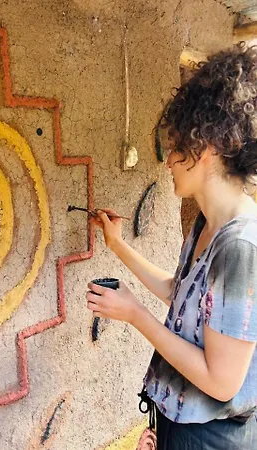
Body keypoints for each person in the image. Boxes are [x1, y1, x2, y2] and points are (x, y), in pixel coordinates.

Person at [86, 42, 257, 450]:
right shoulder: (206, 223)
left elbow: (221, 381)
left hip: (211, 437)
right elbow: (181, 295)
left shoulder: (240, 247)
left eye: (177, 147)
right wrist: (117, 245)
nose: (167, 162)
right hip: (181, 424)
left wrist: (135, 315)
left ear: (208, 149)